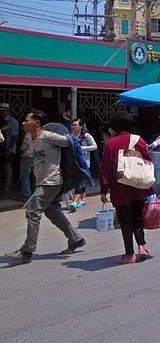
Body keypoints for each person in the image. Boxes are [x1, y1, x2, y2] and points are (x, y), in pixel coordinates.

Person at [4, 109, 85, 265]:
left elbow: (71, 142)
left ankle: (27, 251)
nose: (23, 123)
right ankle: (75, 238)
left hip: (52, 181)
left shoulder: (48, 136)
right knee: (51, 211)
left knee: (32, 211)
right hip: (42, 181)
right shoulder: (33, 140)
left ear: (36, 122)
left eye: (26, 120)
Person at [99, 111, 154, 264]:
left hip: (120, 189)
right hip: (138, 186)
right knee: (137, 218)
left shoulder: (111, 143)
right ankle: (142, 247)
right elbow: (147, 160)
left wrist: (104, 190)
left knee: (125, 221)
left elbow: (106, 169)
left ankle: (129, 254)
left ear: (115, 127)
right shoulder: (139, 140)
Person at [69, 118, 97, 211]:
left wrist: (83, 148)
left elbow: (94, 146)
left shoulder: (86, 136)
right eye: (72, 125)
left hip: (84, 161)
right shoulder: (70, 136)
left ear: (81, 126)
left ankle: (76, 201)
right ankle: (83, 198)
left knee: (79, 180)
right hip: (74, 161)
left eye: (75, 125)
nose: (73, 127)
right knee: (79, 180)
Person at [0, 102, 19, 197]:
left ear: (8, 111)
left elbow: (14, 136)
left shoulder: (12, 122)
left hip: (8, 147)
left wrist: (10, 148)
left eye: (3, 111)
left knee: (8, 167)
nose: (1, 113)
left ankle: (6, 186)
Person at [17, 131, 33, 202]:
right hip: (38, 155)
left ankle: (27, 195)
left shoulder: (28, 135)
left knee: (24, 176)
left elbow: (23, 147)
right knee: (36, 175)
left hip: (28, 156)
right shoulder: (41, 134)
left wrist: (20, 152)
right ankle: (36, 194)